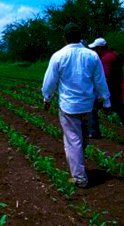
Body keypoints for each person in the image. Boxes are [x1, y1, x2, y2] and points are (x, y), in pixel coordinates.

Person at [41, 23, 111, 188]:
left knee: (73, 141)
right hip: (87, 105)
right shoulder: (92, 55)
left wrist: (47, 98)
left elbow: (49, 82)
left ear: (64, 38)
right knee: (81, 139)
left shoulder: (58, 56)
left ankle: (79, 178)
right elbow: (100, 81)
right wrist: (106, 101)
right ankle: (79, 165)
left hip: (69, 107)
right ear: (80, 37)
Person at [88, 38, 124, 138]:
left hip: (111, 91)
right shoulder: (114, 55)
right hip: (117, 89)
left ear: (100, 48)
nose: (94, 51)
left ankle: (94, 132)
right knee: (120, 110)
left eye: (95, 48)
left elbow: (106, 78)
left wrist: (103, 96)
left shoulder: (106, 59)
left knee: (92, 106)